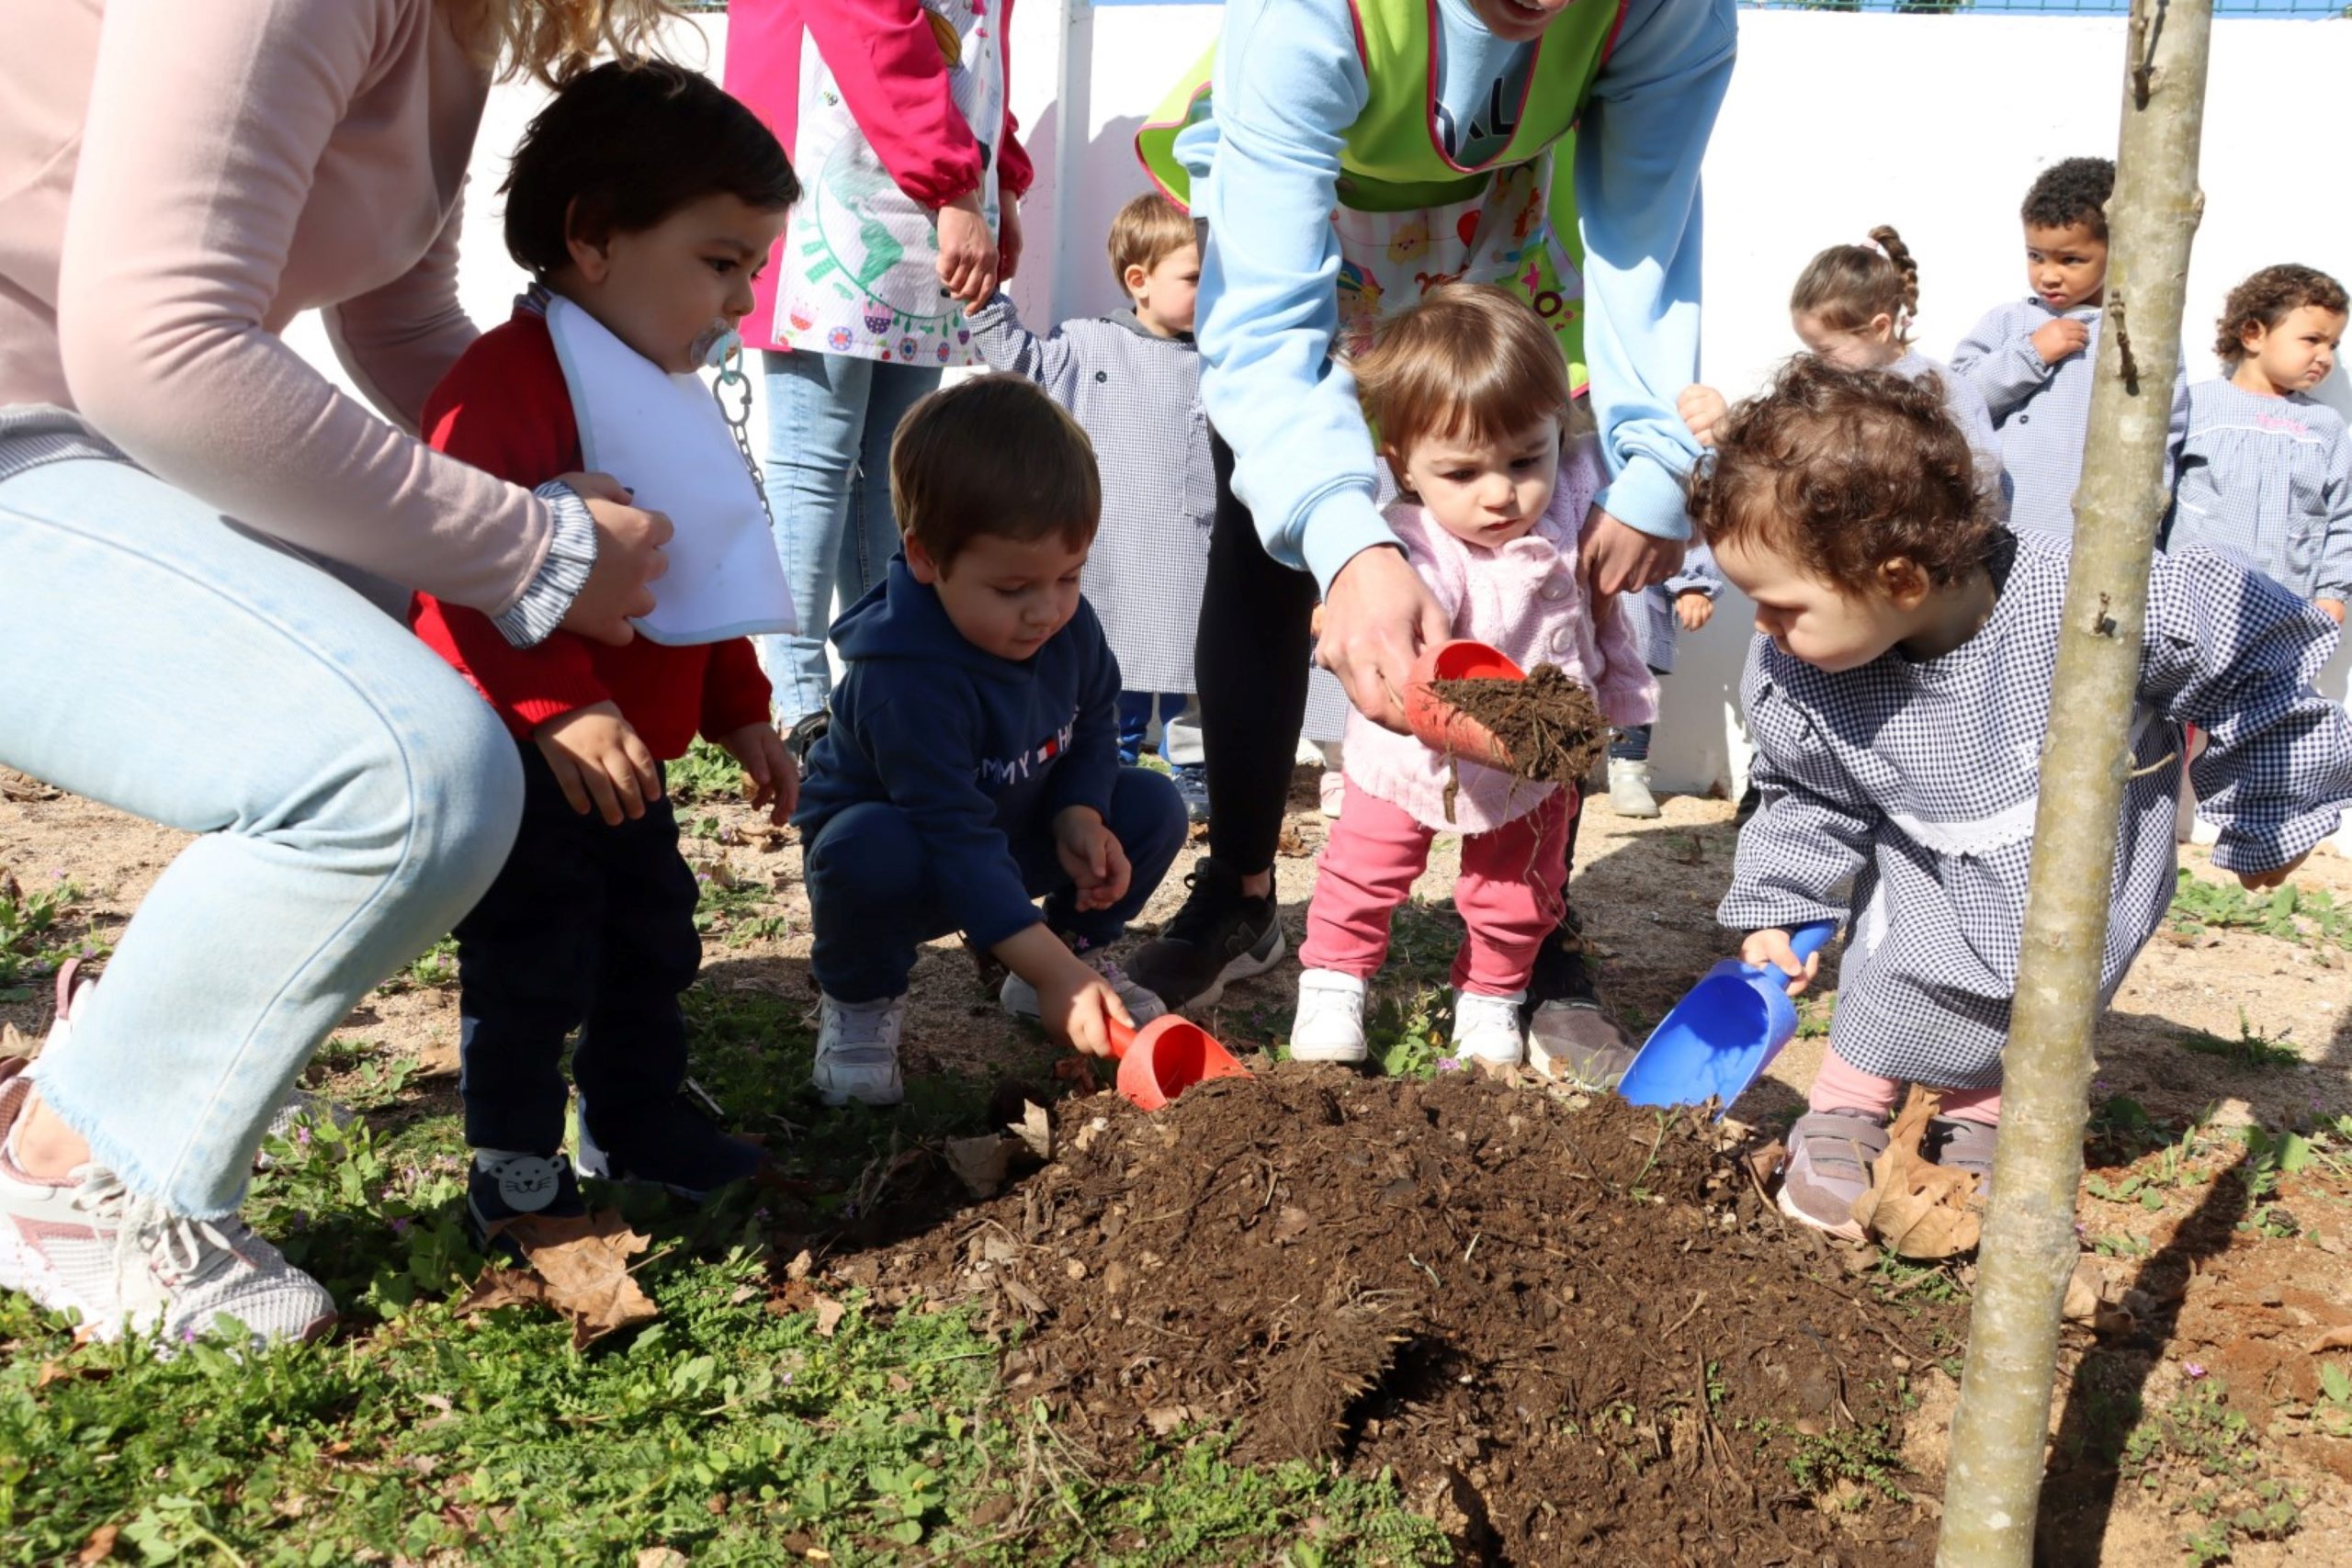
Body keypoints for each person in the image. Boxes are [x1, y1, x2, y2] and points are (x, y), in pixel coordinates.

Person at [0, 0, 673, 1349]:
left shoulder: (458, 20)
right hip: (36, 433)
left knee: (463, 674)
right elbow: (164, 349)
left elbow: (399, 309)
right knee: (408, 770)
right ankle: (72, 1168)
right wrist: (532, 545)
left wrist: (585, 474)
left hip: (94, 441)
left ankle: (121, 1049)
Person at [1124, 0, 1738, 1065]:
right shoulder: (1313, 18)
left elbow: (1644, 233)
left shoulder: (1669, 11)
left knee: (1548, 551)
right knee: (1264, 539)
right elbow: (1267, 331)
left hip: (1501, 223)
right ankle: (1241, 892)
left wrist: (1652, 463)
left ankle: (1532, 923)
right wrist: (1348, 541)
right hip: (1310, 214)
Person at [1689, 361, 2352, 1241]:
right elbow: (1806, 793)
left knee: (2041, 999)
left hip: (2077, 867)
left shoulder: (2093, 603)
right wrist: (1784, 907)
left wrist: (2273, 812)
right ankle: (1847, 1106)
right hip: (1924, 856)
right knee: (1897, 966)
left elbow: (2252, 662)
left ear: (1899, 580)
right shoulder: (1807, 676)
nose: (1763, 630)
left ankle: (1983, 1117)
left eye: (1778, 608)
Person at [406, 63, 800, 1243]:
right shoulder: (506, 384)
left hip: (633, 766)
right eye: (719, 262)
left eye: (753, 270)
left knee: (650, 938)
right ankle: (515, 1161)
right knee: (533, 959)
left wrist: (741, 710)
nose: (738, 301)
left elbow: (702, 567)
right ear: (593, 239)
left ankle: (634, 1115)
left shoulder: (668, 385)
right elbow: (462, 579)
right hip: (534, 763)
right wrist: (558, 706)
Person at [1288, 288, 1654, 1077]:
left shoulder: (1579, 495)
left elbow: (1646, 455)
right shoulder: (1412, 544)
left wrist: (1687, 438)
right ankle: (1334, 981)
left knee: (1520, 888)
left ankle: (1492, 994)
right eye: (1461, 471)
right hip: (1411, 758)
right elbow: (1381, 629)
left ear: (1561, 429)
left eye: (1527, 457)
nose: (1500, 492)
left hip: (1535, 759)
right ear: (1402, 465)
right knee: (1366, 867)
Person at [793, 377, 1188, 1106]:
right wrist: (1049, 973)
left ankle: (1069, 955)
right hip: (910, 858)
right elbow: (953, 837)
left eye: (1069, 575)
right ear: (924, 558)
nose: (1046, 610)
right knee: (862, 847)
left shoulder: (1068, 622)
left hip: (1010, 825)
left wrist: (1080, 813)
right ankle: (860, 1001)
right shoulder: (904, 679)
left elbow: (1097, 721)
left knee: (1151, 805)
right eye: (1012, 589)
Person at [723, 0, 1034, 755]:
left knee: (896, 464)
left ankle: (873, 686)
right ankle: (796, 699)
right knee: (816, 453)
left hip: (928, 186)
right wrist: (961, 186)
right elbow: (869, 24)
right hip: (838, 164)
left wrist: (1002, 182)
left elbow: (974, 52)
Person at [965, 192, 1213, 819]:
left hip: (1191, 540)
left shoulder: (1226, 360)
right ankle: (1115, 753)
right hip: (1115, 546)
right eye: (1196, 278)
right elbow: (1021, 362)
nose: (1214, 294)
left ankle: (1194, 760)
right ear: (1140, 281)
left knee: (1198, 658)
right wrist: (982, 296)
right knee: (1114, 655)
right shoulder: (1088, 346)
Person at [1951, 157, 2186, 539]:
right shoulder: (2009, 322)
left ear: (2121, 250)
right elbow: (1957, 399)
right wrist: (2030, 354)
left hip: (2092, 540)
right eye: (2035, 256)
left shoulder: (2143, 336)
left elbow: (2165, 435)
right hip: (2000, 532)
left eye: (2071, 260)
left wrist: (2139, 521)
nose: (2048, 274)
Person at [2166, 264, 2352, 622]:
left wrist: (2333, 593)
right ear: (2253, 334)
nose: (2325, 357)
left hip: (2286, 610)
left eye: (2333, 345)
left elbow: (2344, 516)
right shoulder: (2195, 406)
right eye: (2312, 340)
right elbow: (2157, 490)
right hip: (2193, 608)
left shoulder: (2324, 427)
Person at [1781, 225, 2004, 509]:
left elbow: (1983, 474)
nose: (1817, 360)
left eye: (1826, 350)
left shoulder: (1943, 391)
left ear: (1881, 328)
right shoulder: (1827, 389)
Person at [1605, 544, 1721, 819]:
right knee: (1564, 672)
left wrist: (1692, 583)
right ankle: (1554, 768)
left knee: (1634, 679)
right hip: (1567, 581)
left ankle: (1628, 768)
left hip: (1636, 590)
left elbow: (1683, 521)